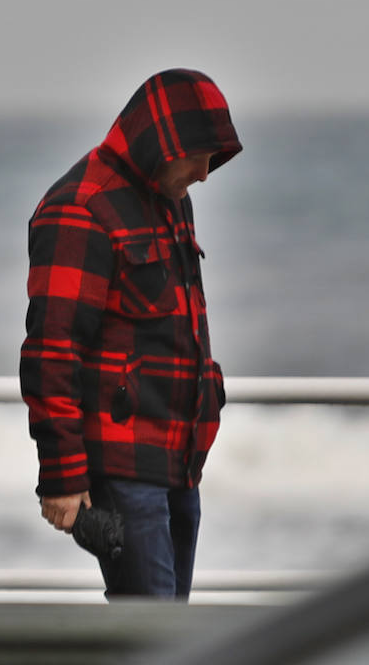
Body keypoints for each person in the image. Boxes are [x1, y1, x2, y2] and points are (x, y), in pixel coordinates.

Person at [20, 68, 242, 599]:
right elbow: (52, 350)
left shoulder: (170, 197)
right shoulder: (80, 207)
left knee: (161, 638)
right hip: (123, 464)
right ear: (165, 143)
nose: (206, 175)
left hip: (178, 458)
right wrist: (63, 475)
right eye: (201, 156)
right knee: (150, 644)